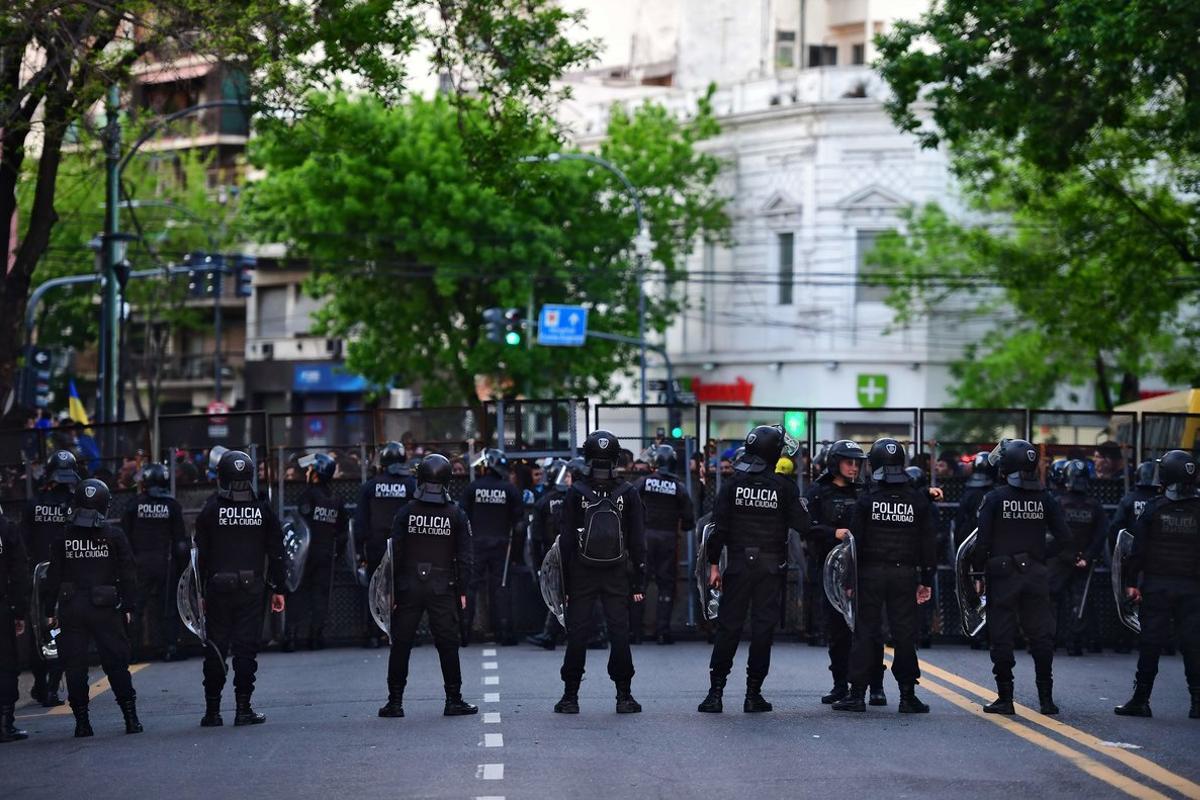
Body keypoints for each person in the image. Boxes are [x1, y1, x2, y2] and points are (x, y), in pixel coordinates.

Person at [698, 425, 810, 714]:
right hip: (770, 568)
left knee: (728, 628)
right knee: (763, 631)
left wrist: (713, 566)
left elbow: (717, 530)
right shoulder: (784, 487)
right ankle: (753, 694)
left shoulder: (732, 485)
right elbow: (804, 525)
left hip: (736, 565)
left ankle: (715, 694)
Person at [832, 439, 936, 714]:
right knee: (904, 634)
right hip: (904, 575)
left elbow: (853, 544)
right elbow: (928, 543)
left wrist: (848, 582)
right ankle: (907, 695)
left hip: (870, 574)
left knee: (865, 632)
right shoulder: (916, 499)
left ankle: (857, 694)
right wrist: (926, 579)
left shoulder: (867, 498)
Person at [971, 440, 1071, 716]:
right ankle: (1046, 700)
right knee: (1041, 636)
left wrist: (979, 571)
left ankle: (1005, 698)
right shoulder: (1046, 498)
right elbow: (1065, 539)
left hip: (1003, 576)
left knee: (1001, 636)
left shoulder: (994, 498)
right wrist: (1037, 555)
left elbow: (982, 542)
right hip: (1037, 575)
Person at [378, 454, 478, 719]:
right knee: (448, 644)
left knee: (401, 644)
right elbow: (466, 557)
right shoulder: (456, 514)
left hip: (408, 585)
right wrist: (463, 590)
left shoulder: (406, 512)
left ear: (420, 478)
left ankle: (395, 702)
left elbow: (394, 554)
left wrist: (392, 591)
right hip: (442, 586)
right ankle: (453, 700)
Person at [554, 431, 646, 714]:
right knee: (619, 633)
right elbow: (638, 541)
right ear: (616, 458)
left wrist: (564, 584)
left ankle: (570, 697)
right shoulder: (628, 493)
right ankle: (624, 696)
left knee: (578, 633)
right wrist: (638, 581)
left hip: (582, 572)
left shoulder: (575, 492)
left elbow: (566, 541)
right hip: (617, 573)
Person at [194, 450, 286, 728]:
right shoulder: (262, 509)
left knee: (216, 647)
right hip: (252, 589)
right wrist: (278, 588)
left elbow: (200, 553)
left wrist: (200, 592)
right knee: (246, 649)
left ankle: (212, 712)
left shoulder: (211, 509)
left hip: (217, 588)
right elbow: (277, 550)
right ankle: (243, 709)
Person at [44, 479, 142, 737]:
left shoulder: (63, 536)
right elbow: (129, 573)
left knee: (75, 666)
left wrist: (47, 612)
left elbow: (52, 577)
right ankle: (131, 719)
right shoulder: (113, 535)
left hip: (71, 608)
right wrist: (130, 605)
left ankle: (82, 724)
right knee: (116, 663)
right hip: (106, 608)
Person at [1114, 450, 1200, 719]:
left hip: (1157, 586)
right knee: (1193, 644)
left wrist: (1130, 583)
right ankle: (1197, 702)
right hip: (1192, 588)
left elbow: (1136, 551)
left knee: (1150, 644)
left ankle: (1141, 700)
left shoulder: (1154, 507)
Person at [804, 440, 888, 705]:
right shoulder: (818, 491)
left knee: (869, 630)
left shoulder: (867, 490)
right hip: (831, 570)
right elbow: (805, 526)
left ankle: (876, 685)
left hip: (864, 569)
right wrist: (832, 533)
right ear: (834, 463)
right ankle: (840, 684)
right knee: (837, 630)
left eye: (857, 463)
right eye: (848, 462)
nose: (854, 468)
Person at [21, 449, 78, 707]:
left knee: (38, 630)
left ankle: (42, 686)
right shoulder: (76, 505)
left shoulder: (33, 505)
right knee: (60, 630)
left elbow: (23, 543)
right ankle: (53, 688)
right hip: (66, 578)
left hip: (38, 577)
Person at [122, 463, 188, 662]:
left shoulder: (135, 504)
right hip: (165, 563)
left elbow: (124, 535)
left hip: (139, 563)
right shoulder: (172, 505)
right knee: (167, 606)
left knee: (136, 606)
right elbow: (180, 541)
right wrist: (182, 566)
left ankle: (132, 651)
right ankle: (168, 646)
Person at [355, 442, 416, 648]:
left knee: (375, 591)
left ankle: (373, 634)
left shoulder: (370, 486)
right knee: (405, 591)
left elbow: (361, 522)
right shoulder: (411, 485)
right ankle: (404, 634)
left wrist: (358, 550)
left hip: (376, 546)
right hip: (405, 547)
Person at [632, 444, 695, 645]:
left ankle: (635, 633)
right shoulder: (679, 487)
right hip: (668, 539)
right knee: (666, 586)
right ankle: (662, 632)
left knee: (639, 584)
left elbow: (628, 504)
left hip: (644, 538)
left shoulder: (643, 481)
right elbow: (688, 520)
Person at [285, 453, 348, 652]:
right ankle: (316, 638)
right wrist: (336, 553)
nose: (308, 471)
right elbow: (343, 531)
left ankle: (291, 638)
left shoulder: (308, 495)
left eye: (311, 469)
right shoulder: (336, 500)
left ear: (316, 473)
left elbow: (300, 524)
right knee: (320, 596)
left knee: (297, 593)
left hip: (306, 555)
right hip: (326, 553)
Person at [462, 449, 523, 646]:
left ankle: (464, 632)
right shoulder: (510, 489)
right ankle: (503, 633)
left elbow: (463, 515)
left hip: (476, 544)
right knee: (501, 588)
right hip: (501, 545)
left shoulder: (473, 487)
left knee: (470, 587)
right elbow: (519, 522)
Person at [1052, 460, 1110, 655]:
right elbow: (1101, 535)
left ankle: (1050, 641)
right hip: (1082, 561)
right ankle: (1074, 644)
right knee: (1080, 602)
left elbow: (1051, 534)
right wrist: (1086, 556)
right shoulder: (1094, 506)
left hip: (1061, 560)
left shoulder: (1057, 503)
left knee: (1052, 600)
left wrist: (1069, 556)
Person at [1107, 461, 1162, 653]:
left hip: (1131, 557)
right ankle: (1163, 644)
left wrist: (1120, 554)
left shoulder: (1129, 500)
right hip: (1156, 558)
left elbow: (1115, 528)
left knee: (1127, 598)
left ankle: (1125, 641)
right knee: (1155, 602)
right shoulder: (1160, 502)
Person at [526, 459, 575, 650]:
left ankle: (550, 634)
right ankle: (596, 633)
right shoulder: (578, 497)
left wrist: (538, 564)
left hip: (554, 554)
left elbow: (536, 537)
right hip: (576, 553)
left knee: (557, 594)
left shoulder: (544, 501)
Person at [0, 506, 31, 742]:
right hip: (2, 606)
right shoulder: (7, 528)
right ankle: (4, 724)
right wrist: (19, 610)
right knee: (6, 666)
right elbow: (19, 571)